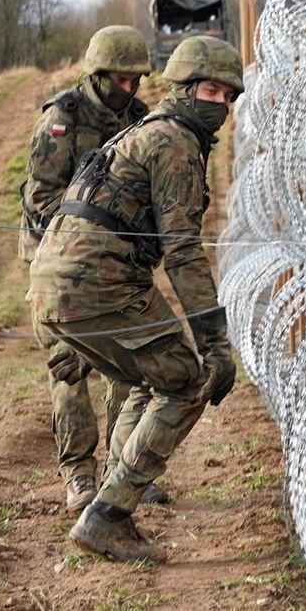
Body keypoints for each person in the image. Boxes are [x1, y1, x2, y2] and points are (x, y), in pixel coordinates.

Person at [28, 35, 243, 564]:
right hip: (97, 281)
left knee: (140, 375)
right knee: (185, 380)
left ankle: (113, 492)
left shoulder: (150, 128)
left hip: (62, 276)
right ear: (185, 87)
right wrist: (215, 342)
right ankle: (107, 514)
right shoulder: (174, 143)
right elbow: (183, 252)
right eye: (210, 91)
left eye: (227, 96)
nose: (219, 105)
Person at [19, 25, 158, 514]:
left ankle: (123, 469)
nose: (128, 89)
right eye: (119, 79)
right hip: (57, 263)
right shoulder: (62, 119)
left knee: (129, 360)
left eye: (135, 80)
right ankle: (78, 473)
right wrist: (98, 213)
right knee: (70, 365)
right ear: (97, 75)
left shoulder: (140, 120)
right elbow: (40, 199)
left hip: (118, 261)